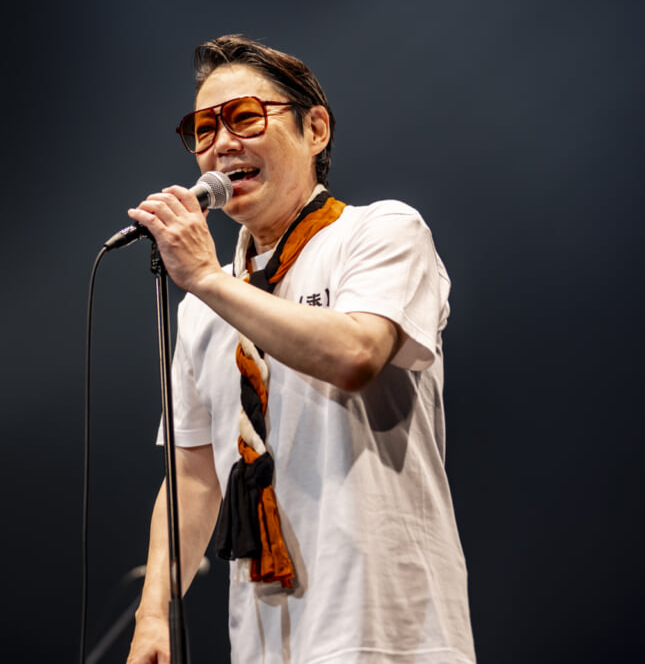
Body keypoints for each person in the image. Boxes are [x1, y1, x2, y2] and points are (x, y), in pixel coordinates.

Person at [124, 35, 475, 664]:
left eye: (244, 117)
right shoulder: (203, 305)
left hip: (390, 631)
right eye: (203, 129)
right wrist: (154, 614)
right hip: (264, 640)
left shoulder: (381, 231)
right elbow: (194, 477)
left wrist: (205, 278)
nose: (221, 143)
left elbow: (356, 355)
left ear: (315, 129)